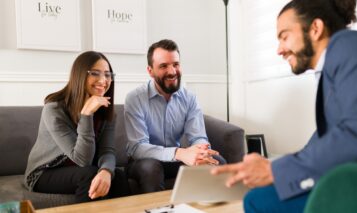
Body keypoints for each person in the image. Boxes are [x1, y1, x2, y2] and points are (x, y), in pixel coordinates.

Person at [211, 0, 357, 212]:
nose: (279, 50)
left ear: (315, 29)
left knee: (258, 201)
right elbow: (326, 138)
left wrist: (275, 171)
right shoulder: (334, 64)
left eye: (285, 36)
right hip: (353, 176)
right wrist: (271, 168)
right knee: (259, 196)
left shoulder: (350, 45)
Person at [24, 51, 130, 203]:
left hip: (83, 168)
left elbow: (107, 151)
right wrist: (86, 114)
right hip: (46, 172)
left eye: (108, 75)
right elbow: (82, 160)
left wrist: (106, 171)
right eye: (95, 73)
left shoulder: (107, 112)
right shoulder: (54, 110)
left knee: (117, 176)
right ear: (80, 75)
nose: (103, 80)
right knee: (90, 174)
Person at [124, 39, 224, 193]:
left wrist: (202, 153)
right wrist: (179, 153)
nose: (172, 71)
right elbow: (138, 148)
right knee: (151, 168)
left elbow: (198, 137)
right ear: (150, 71)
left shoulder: (189, 98)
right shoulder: (135, 98)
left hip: (175, 159)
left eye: (175, 64)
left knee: (216, 161)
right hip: (143, 162)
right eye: (163, 66)